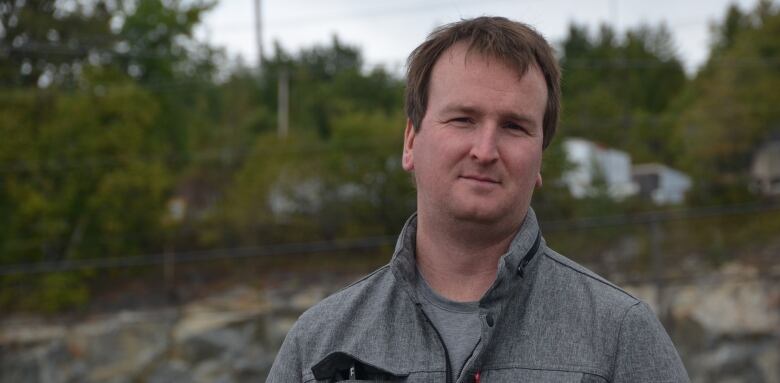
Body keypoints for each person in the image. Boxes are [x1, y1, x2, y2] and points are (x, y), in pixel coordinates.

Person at [267, 16, 689, 383]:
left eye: (514, 126)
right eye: (463, 119)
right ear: (411, 141)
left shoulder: (620, 336)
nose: (485, 150)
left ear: (540, 157)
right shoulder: (319, 343)